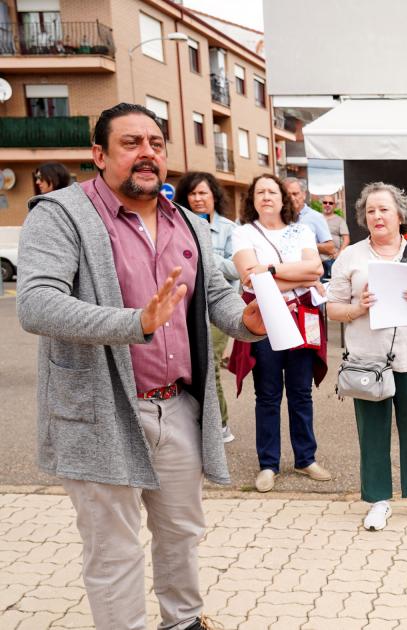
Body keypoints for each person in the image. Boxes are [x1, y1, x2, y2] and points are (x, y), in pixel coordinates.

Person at [17, 102, 266, 630]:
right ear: (99, 154)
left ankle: (184, 621)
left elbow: (215, 297)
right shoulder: (60, 214)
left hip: (176, 405)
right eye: (131, 143)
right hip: (102, 410)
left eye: (155, 143)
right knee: (113, 549)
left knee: (181, 531)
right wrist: (137, 322)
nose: (146, 153)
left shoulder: (189, 223)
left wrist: (247, 322)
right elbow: (36, 304)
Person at [327, 182, 407, 530]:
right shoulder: (351, 256)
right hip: (368, 359)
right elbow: (332, 309)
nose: (377, 216)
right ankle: (378, 500)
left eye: (383, 209)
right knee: (372, 433)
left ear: (400, 215)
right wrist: (357, 307)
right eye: (370, 211)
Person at [229, 174, 331, 493]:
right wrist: (297, 278)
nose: (267, 196)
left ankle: (305, 458)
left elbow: (316, 270)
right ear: (253, 199)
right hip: (265, 319)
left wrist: (270, 272)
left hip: (302, 318)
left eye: (273, 191)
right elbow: (248, 279)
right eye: (260, 191)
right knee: (268, 394)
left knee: (301, 392)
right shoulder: (243, 233)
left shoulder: (301, 230)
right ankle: (268, 464)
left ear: (284, 198)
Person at [176, 171, 239, 443]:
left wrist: (201, 252)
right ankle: (191, 423)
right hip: (181, 307)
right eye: (193, 194)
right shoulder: (176, 225)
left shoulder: (229, 229)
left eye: (203, 193)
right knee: (184, 367)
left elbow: (236, 268)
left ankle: (219, 424)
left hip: (216, 307)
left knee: (210, 364)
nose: (198, 199)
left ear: (214, 195)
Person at [283, 177, 336, 262]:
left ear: (304, 195)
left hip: (308, 271)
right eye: (287, 195)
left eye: (295, 194)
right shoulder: (279, 217)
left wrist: (303, 246)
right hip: (284, 271)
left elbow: (330, 248)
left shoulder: (315, 217)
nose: (291, 198)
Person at [321, 194, 351, 280]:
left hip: (332, 259)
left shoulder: (340, 220)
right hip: (317, 260)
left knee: (333, 284)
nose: (327, 205)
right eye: (325, 202)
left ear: (334, 205)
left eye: (330, 203)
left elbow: (346, 239)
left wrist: (340, 253)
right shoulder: (317, 218)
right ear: (322, 204)